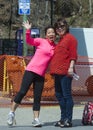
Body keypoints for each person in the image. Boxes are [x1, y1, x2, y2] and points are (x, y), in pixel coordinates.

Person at [7, 20, 56, 127]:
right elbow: (29, 41)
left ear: (55, 35)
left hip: (41, 75)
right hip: (31, 71)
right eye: (49, 33)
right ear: (46, 35)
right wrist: (28, 30)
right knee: (22, 92)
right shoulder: (41, 41)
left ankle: (36, 119)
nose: (51, 34)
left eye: (53, 32)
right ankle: (11, 113)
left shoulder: (55, 48)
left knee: (37, 97)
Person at [50, 18, 78, 127]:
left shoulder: (71, 39)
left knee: (66, 95)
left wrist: (71, 67)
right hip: (57, 72)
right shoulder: (61, 40)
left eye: (62, 26)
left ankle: (68, 120)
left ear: (66, 27)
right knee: (59, 95)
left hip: (66, 72)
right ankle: (62, 118)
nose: (60, 29)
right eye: (57, 27)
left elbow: (73, 55)